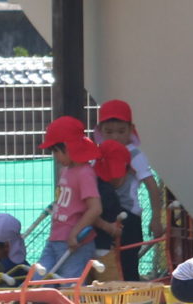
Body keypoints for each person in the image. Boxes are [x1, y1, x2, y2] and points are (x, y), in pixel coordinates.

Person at [94, 100, 165, 264]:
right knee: (104, 265)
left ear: (131, 129)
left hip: (128, 216)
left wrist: (155, 218)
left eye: (121, 131)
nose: (115, 136)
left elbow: (151, 186)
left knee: (128, 264)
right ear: (100, 130)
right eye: (109, 131)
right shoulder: (98, 153)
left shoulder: (134, 155)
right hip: (103, 218)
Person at [36, 120, 104, 279]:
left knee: (72, 284)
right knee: (39, 279)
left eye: (55, 151)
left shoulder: (84, 173)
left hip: (76, 243)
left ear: (67, 147)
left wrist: (76, 231)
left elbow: (95, 208)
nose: (55, 156)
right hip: (55, 238)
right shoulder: (65, 170)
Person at [92, 141, 139, 279]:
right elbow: (91, 214)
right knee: (109, 285)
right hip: (103, 247)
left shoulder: (93, 183)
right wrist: (109, 228)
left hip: (91, 246)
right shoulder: (106, 192)